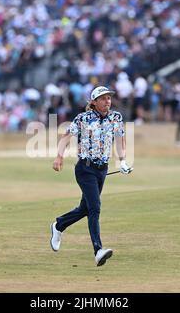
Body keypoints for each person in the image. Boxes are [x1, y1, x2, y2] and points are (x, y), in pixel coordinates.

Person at [50, 86, 133, 266]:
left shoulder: (115, 118)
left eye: (109, 98)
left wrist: (123, 161)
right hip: (85, 169)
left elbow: (120, 139)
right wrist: (59, 156)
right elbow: (65, 137)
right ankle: (98, 250)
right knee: (95, 208)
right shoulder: (83, 118)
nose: (107, 101)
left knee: (85, 209)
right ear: (94, 102)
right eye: (103, 99)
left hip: (102, 169)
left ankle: (59, 225)